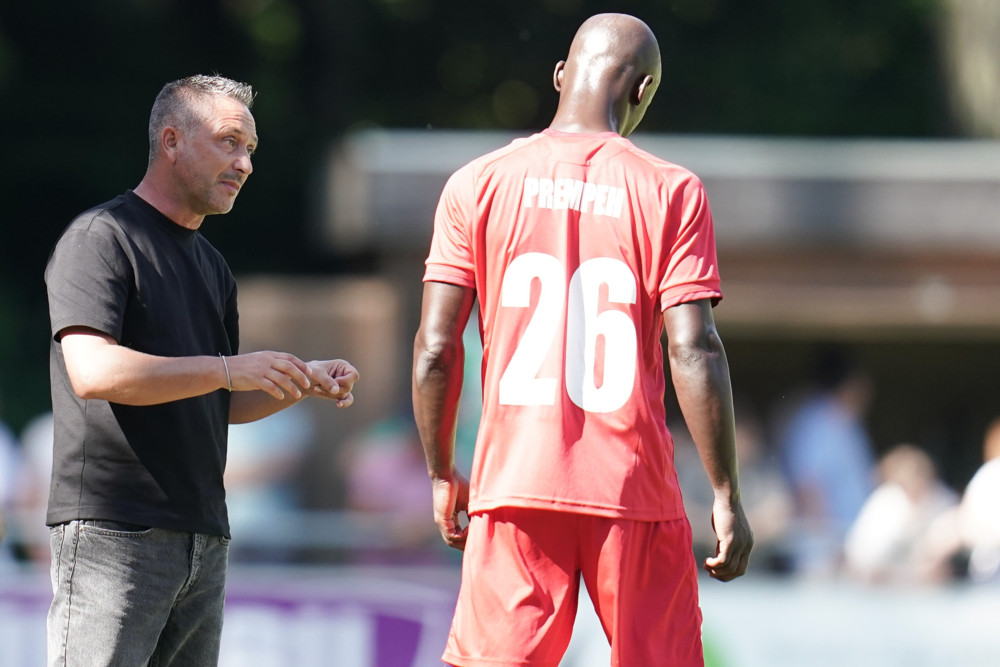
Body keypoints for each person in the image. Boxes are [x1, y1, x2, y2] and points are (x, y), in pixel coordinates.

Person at [412, 14, 752, 666]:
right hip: (631, 489)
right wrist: (727, 492)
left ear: (561, 75)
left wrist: (439, 472)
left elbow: (435, 347)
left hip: (513, 485)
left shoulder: (476, 183)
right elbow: (694, 347)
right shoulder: (671, 191)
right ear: (641, 90)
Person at [43, 74, 359, 667]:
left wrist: (296, 380)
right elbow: (92, 370)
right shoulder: (100, 237)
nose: (244, 163)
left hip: (203, 537)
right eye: (229, 142)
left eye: (251, 151)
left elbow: (220, 400)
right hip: (115, 533)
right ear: (171, 141)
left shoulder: (213, 266)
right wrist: (227, 368)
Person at [777, 344, 876, 578]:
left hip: (852, 549)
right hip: (826, 555)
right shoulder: (817, 423)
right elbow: (809, 488)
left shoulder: (846, 422)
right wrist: (831, 546)